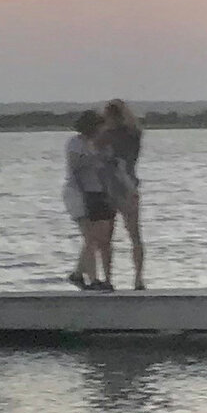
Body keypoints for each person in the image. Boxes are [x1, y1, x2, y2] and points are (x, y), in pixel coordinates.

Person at [64, 111, 117, 290]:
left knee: (94, 238)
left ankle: (78, 274)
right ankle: (93, 279)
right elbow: (75, 167)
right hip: (77, 192)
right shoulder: (76, 143)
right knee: (90, 237)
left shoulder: (99, 144)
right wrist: (94, 158)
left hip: (96, 191)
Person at [101, 101, 146, 288]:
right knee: (134, 236)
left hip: (110, 188)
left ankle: (108, 278)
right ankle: (138, 278)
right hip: (129, 186)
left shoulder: (106, 136)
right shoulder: (134, 134)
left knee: (106, 238)